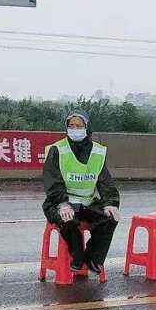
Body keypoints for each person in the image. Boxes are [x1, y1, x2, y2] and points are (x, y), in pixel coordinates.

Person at [42, 111, 120, 273]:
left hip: (88, 202)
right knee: (68, 221)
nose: (74, 129)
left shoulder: (97, 152)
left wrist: (110, 203)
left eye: (79, 126)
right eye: (71, 126)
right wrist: (62, 204)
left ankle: (93, 258)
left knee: (110, 219)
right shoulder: (57, 149)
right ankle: (77, 256)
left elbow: (105, 181)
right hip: (60, 202)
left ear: (87, 128)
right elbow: (52, 181)